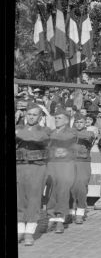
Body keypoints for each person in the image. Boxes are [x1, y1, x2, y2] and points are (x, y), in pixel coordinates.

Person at [16, 104, 51, 246]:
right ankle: (19, 230)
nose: (31, 116)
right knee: (19, 198)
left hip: (37, 168)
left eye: (34, 114)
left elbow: (37, 138)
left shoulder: (45, 130)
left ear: (40, 117)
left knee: (34, 199)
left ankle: (29, 232)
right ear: (25, 115)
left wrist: (18, 134)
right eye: (29, 114)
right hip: (19, 166)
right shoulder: (18, 128)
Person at [46, 109, 78, 234]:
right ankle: (50, 216)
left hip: (66, 165)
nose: (56, 120)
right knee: (51, 191)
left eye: (59, 118)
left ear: (66, 120)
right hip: (52, 164)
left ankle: (60, 219)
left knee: (63, 190)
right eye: (56, 118)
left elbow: (67, 139)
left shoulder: (71, 132)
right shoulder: (52, 132)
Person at [71, 115, 95, 224]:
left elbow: (88, 137)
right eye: (76, 122)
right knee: (70, 187)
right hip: (70, 162)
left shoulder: (89, 133)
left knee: (81, 187)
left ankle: (80, 212)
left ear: (85, 123)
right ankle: (70, 212)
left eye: (81, 122)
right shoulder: (70, 132)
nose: (78, 124)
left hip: (83, 162)